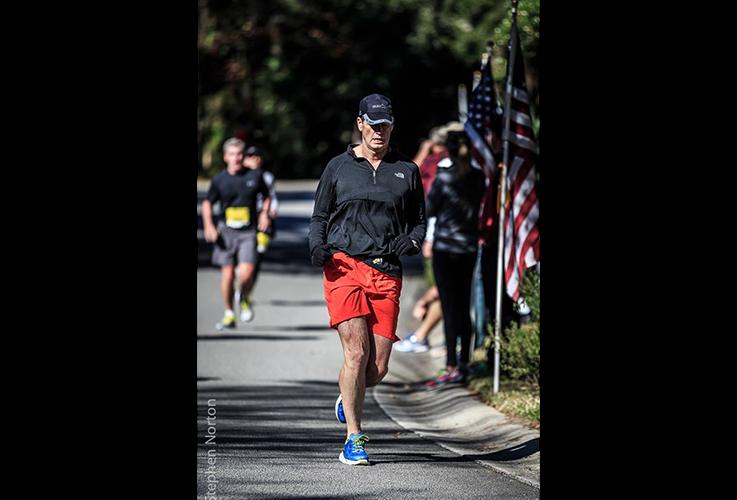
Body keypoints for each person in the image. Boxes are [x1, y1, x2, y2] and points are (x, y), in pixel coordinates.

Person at [308, 93, 426, 465]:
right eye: (373, 125)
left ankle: (349, 393)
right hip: (344, 268)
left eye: (385, 125)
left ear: (392, 126)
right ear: (360, 124)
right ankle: (354, 439)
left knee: (376, 370)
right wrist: (317, 247)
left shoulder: (406, 170)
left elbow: (420, 220)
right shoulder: (338, 167)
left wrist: (413, 240)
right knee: (356, 354)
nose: (379, 131)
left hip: (387, 271)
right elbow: (319, 217)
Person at [424, 130, 485, 386]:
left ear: (446, 150)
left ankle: (451, 365)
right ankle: (466, 361)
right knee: (464, 304)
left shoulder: (444, 178)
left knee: (450, 307)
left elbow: (430, 209)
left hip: (445, 248)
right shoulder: (479, 178)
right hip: (469, 248)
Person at [201, 138, 272, 329]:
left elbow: (266, 196)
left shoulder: (254, 176)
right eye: (231, 154)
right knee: (228, 274)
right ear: (225, 157)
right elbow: (208, 203)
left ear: (244, 156)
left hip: (248, 232)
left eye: (239, 154)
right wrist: (208, 225)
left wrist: (265, 214)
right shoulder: (219, 179)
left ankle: (244, 296)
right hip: (226, 232)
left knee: (247, 273)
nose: (236, 158)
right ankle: (229, 313)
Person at [241, 145, 279, 296]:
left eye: (258, 156)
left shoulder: (267, 176)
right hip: (245, 218)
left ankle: (247, 288)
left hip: (262, 216)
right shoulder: (238, 175)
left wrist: (272, 210)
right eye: (251, 156)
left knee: (257, 254)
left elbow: (272, 196)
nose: (255, 159)